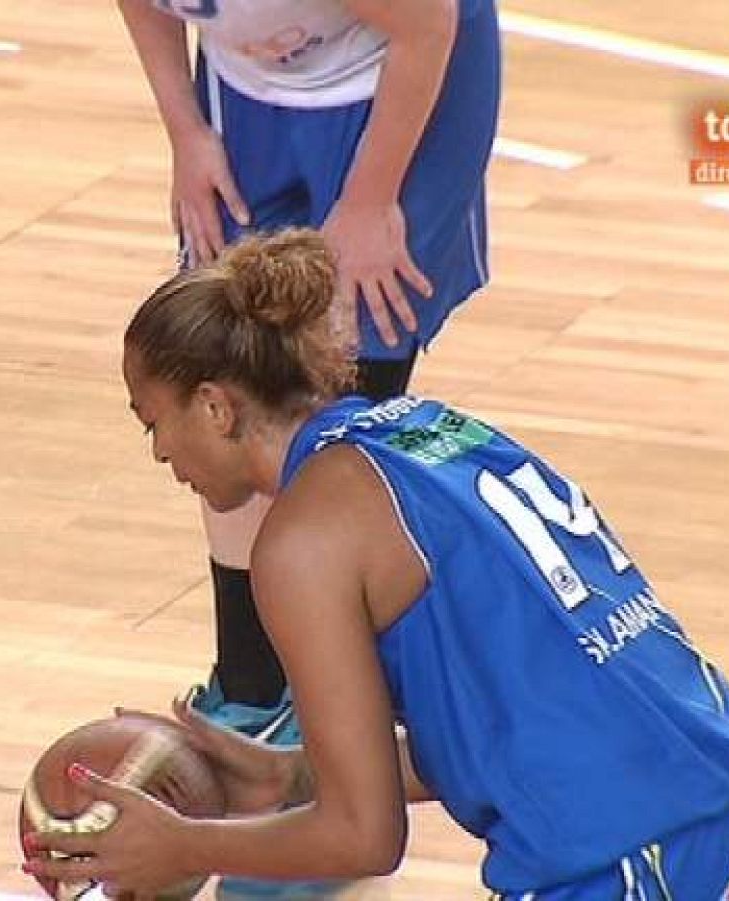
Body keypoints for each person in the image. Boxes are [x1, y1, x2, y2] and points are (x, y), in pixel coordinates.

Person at [25, 230, 729, 900]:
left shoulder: (301, 541)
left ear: (216, 406)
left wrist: (185, 847)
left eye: (154, 421)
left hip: (633, 848)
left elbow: (363, 839)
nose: (160, 451)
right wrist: (291, 775)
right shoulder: (425, 430)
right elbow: (499, 712)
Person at [115, 0, 502, 788]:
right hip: (248, 91)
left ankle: (330, 728)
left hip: (397, 81)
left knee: (337, 380)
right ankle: (253, 686)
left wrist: (369, 201)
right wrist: (187, 134)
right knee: (216, 367)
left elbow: (428, 26)